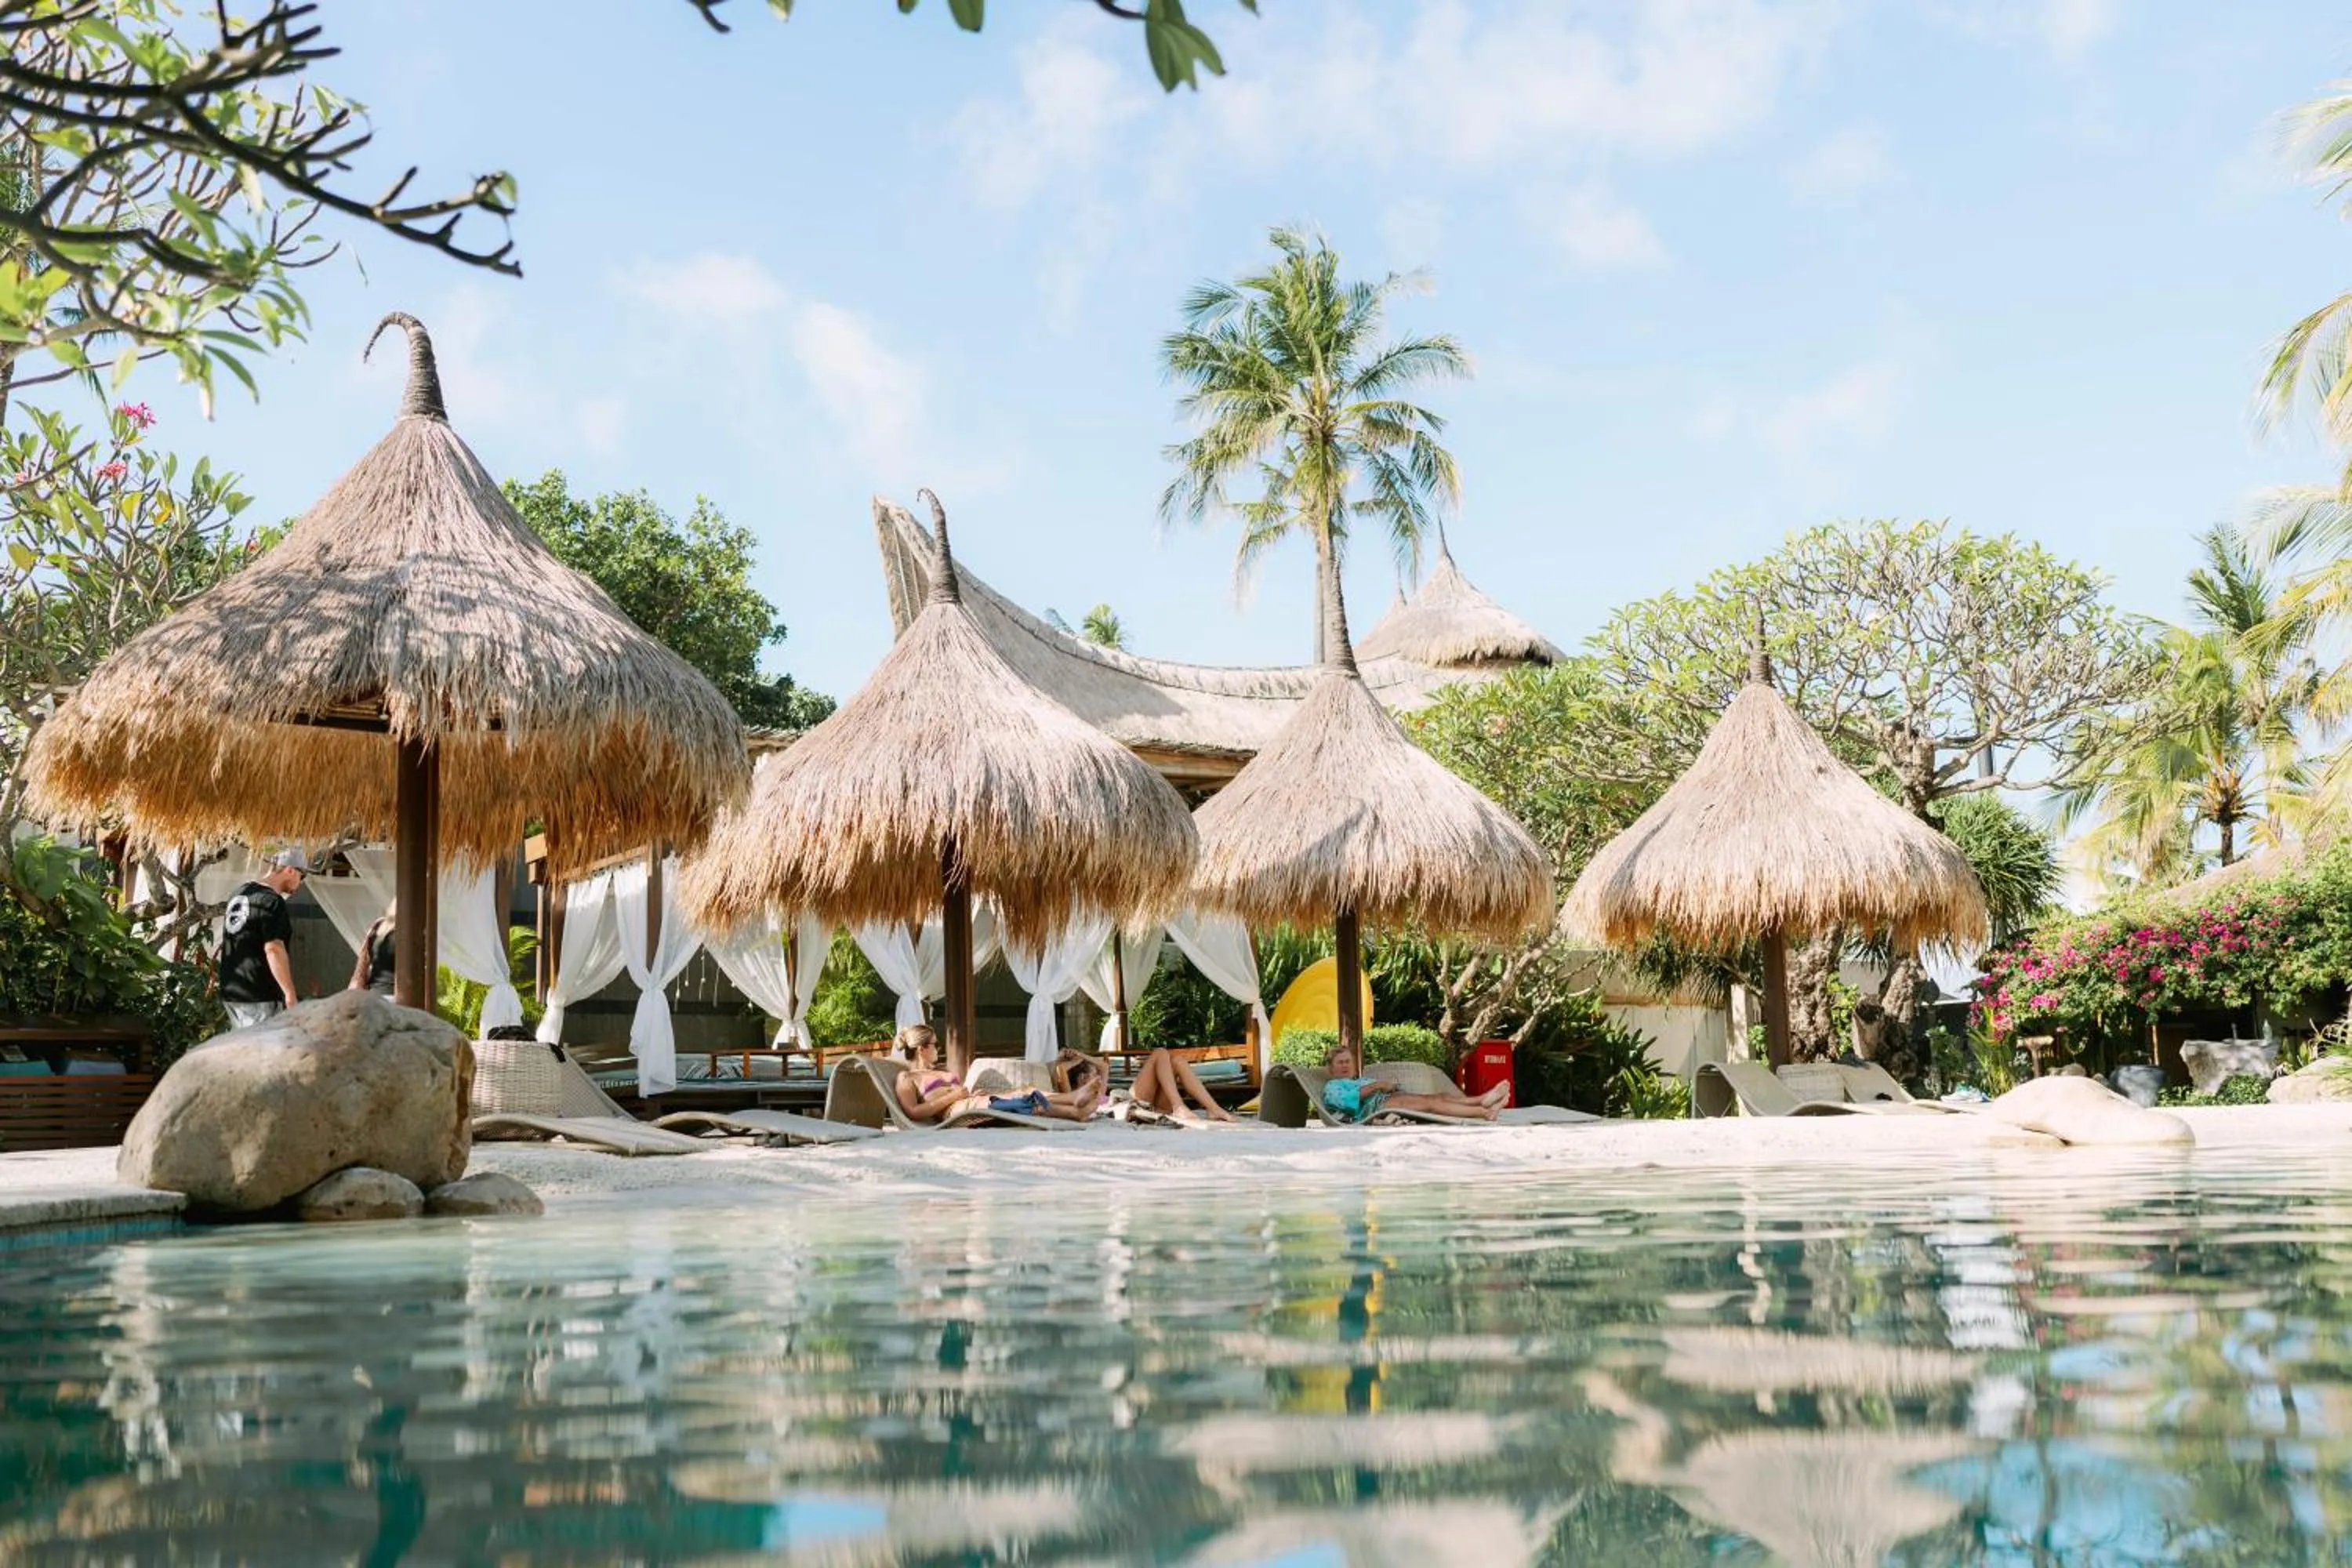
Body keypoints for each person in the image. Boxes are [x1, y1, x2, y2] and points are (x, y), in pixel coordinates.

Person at [220, 847, 308, 1029]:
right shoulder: (272, 902)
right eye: (302, 876)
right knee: (262, 1052)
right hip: (259, 994)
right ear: (290, 870)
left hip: (232, 992)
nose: (300, 883)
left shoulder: (239, 893)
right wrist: (290, 994)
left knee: (244, 1051)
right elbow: (274, 948)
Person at [1319, 1041, 1504, 1124]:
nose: (1345, 1066)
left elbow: (1374, 1088)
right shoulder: (1332, 1087)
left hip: (1388, 1098)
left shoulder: (1358, 1080)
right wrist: (1378, 1086)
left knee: (1442, 1096)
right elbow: (1348, 1103)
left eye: (1348, 1061)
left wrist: (1390, 1086)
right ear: (1331, 1068)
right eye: (1340, 1063)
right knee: (1431, 1105)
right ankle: (1484, 1112)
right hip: (1378, 1107)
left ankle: (1482, 1099)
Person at [1058, 1046, 1235, 1123]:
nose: (1098, 1075)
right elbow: (1060, 1071)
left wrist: (1080, 1054)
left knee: (1178, 1061)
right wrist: (1072, 1062)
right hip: (1132, 1104)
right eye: (1092, 1073)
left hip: (1153, 1107)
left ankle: (1213, 1108)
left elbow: (1103, 1065)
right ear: (1081, 1078)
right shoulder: (1075, 1095)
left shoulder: (1100, 1090)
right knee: (1159, 1053)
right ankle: (1178, 1105)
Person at [347, 898, 397, 997]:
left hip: (372, 995)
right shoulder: (406, 934)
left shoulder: (377, 926)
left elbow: (363, 965)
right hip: (394, 998)